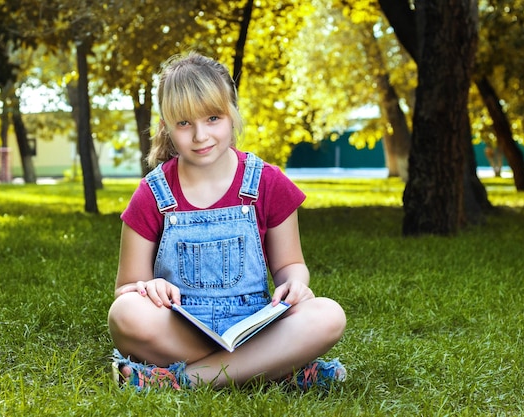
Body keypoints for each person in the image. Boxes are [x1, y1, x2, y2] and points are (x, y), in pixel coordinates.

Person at [107, 51, 347, 392]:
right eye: (184, 123)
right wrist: (149, 288)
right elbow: (127, 288)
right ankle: (272, 368)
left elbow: (291, 265)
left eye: (213, 118)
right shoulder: (152, 193)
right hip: (182, 329)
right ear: (166, 127)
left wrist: (295, 283)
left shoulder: (267, 182)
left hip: (255, 325)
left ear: (232, 115)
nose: (201, 135)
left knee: (328, 315)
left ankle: (184, 379)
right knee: (125, 313)